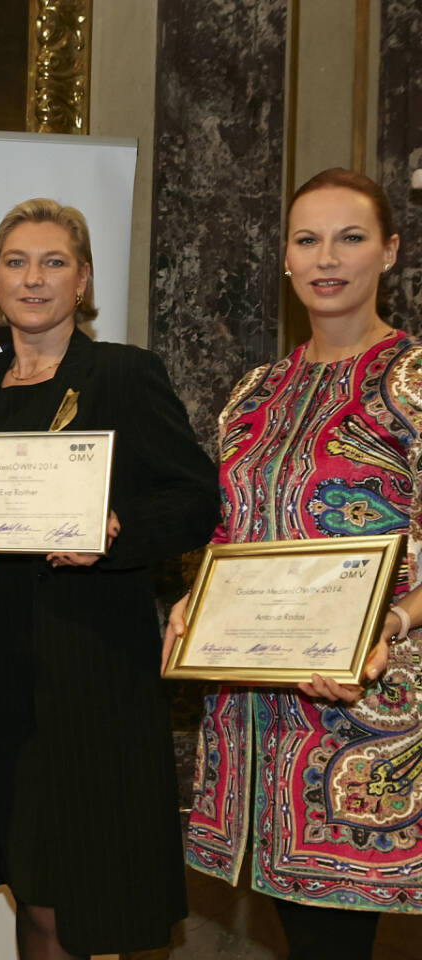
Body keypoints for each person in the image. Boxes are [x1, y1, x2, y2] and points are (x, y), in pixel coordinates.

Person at [0, 198, 218, 958]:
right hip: (1, 679)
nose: (34, 279)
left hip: (96, 674)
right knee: (34, 890)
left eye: (53, 262)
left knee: (98, 896)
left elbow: (197, 498)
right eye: (16, 263)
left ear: (84, 278)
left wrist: (117, 527)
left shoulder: (125, 374)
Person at [165, 168, 422, 957]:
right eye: (307, 240)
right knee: (307, 937)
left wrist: (392, 620)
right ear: (284, 257)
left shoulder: (415, 379)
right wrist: (194, 603)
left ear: (390, 251)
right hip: (264, 715)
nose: (327, 258)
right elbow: (236, 532)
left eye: (350, 237)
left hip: (380, 697)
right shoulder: (254, 392)